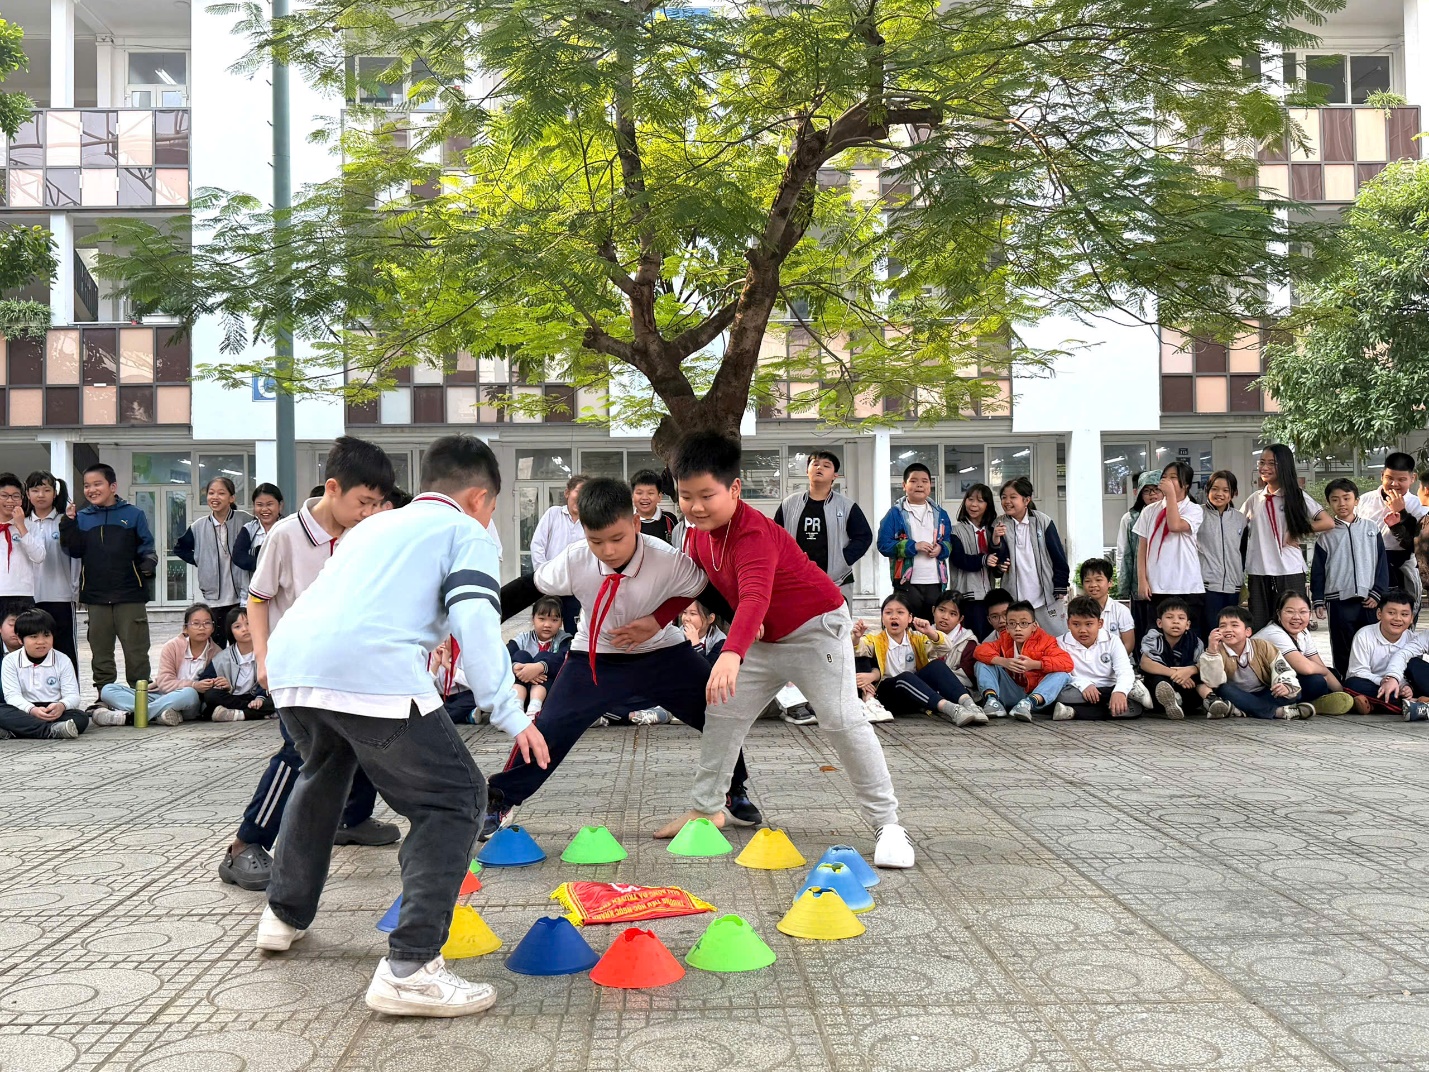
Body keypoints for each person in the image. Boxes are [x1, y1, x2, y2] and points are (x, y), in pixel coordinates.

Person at [256, 434, 550, 1019]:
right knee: (455, 797)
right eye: (493, 507)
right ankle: (410, 967)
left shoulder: (374, 526)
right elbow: (476, 616)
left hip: (293, 668)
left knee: (324, 772)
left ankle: (282, 914)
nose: (490, 519)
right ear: (479, 497)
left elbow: (368, 599)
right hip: (369, 674)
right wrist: (509, 710)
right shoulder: (467, 531)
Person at [650, 433, 914, 867]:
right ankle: (707, 808)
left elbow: (754, 597)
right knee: (723, 710)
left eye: (707, 496)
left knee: (842, 720)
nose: (696, 507)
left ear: (734, 489)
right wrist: (652, 620)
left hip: (816, 630)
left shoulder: (753, 533)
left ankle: (889, 824)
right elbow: (692, 584)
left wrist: (731, 653)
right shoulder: (696, 535)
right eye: (686, 496)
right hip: (763, 637)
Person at [485, 476, 761, 832]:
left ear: (634, 523)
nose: (609, 550)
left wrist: (747, 623)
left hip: (663, 654)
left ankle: (733, 789)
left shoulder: (666, 559)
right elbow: (525, 589)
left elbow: (708, 590)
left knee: (718, 714)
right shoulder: (574, 559)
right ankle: (501, 799)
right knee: (550, 728)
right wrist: (472, 625)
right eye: (596, 540)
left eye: (617, 538)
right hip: (593, 659)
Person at [217, 436, 397, 894]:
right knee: (301, 753)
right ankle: (245, 845)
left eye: (378, 504)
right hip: (296, 668)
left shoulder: (364, 533)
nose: (370, 512)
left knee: (359, 741)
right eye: (364, 502)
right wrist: (264, 658)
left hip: (348, 665)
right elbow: (257, 601)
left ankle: (352, 819)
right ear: (333, 488)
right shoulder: (286, 535)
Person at [59, 463, 157, 707]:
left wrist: (147, 565)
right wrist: (68, 524)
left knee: (136, 651)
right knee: (100, 653)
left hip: (130, 595)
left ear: (112, 486)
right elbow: (73, 550)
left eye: (97, 484)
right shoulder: (81, 518)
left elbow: (147, 547)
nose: (91, 490)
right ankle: (105, 698)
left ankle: (142, 696)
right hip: (96, 596)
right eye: (87, 486)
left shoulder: (133, 514)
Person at [852, 593, 980, 725]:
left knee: (937, 666)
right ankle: (952, 709)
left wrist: (930, 632)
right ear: (883, 618)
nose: (894, 616)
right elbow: (859, 648)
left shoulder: (917, 638)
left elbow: (945, 647)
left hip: (917, 693)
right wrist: (856, 637)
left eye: (900, 612)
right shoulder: (875, 639)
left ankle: (970, 705)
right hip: (889, 694)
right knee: (905, 677)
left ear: (910, 618)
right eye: (888, 612)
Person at [1242, 445, 1333, 630]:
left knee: (1292, 626)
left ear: (1283, 466)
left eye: (1271, 463)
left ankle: (1294, 659)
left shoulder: (1296, 496)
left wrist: (1297, 531)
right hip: (1259, 571)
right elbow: (1238, 526)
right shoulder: (1255, 499)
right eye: (1262, 463)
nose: (1264, 468)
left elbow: (1327, 522)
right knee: (1259, 626)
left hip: (1289, 570)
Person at [1311, 478, 1390, 678]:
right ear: (1329, 503)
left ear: (1357, 500)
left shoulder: (1371, 529)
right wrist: (1318, 599)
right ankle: (1345, 686)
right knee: (1342, 645)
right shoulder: (1326, 535)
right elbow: (1318, 570)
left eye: (1347, 498)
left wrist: (1378, 592)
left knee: (1371, 644)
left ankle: (1370, 683)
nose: (1342, 503)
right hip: (1338, 599)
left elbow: (1382, 564)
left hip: (1369, 599)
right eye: (1335, 499)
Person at [775, 451, 873, 606]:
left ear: (835, 475)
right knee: (798, 629)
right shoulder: (789, 504)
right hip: (795, 582)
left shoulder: (847, 506)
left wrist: (844, 559)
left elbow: (864, 536)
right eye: (815, 464)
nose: (819, 467)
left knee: (835, 628)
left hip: (837, 581)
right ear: (807, 470)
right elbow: (775, 536)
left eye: (826, 465)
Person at [93, 602, 212, 726]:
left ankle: (131, 717)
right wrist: (194, 684)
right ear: (185, 628)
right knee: (108, 690)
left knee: (189, 693)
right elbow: (165, 684)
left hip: (186, 704)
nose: (201, 628)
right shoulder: (172, 646)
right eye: (196, 623)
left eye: (207, 623)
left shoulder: (216, 653)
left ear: (213, 628)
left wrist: (198, 686)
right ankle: (159, 714)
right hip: (160, 696)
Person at [175, 477, 253, 646]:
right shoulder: (198, 526)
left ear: (231, 498)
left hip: (241, 595)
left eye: (221, 493)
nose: (214, 497)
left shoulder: (245, 521)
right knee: (216, 645)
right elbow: (180, 549)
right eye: (211, 493)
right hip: (213, 598)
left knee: (241, 643)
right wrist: (200, 561)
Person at [990, 477, 1070, 636]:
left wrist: (1060, 586)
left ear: (1026, 500)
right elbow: (998, 564)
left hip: (1045, 595)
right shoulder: (998, 524)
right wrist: (995, 541)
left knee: (1057, 639)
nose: (1007, 501)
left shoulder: (1043, 521)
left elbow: (1058, 556)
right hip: (1015, 597)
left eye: (1013, 497)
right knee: (1019, 641)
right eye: (1004, 497)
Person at [972, 599, 1075, 720]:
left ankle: (1027, 703)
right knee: (981, 664)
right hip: (1012, 692)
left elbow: (1067, 663)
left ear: (1034, 626)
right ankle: (992, 702)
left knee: (1063, 675)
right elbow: (979, 651)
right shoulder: (1005, 638)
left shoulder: (1046, 640)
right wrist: (1004, 662)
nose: (1018, 629)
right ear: (1007, 627)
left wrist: (1035, 664)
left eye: (1024, 623)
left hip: (1037, 696)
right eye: (1012, 623)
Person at [1199, 605, 1308, 719]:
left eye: (1234, 625)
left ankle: (1240, 711)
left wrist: (1285, 686)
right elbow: (1213, 682)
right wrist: (1212, 651)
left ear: (1248, 632)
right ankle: (1278, 712)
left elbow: (1281, 668)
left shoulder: (1262, 646)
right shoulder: (1216, 651)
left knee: (1294, 692)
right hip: (1236, 695)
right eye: (1222, 626)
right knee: (1224, 689)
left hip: (1263, 693)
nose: (1228, 629)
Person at [1253, 590, 1354, 714]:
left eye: (1303, 612)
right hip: (1265, 688)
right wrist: (1332, 681)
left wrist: (1344, 694)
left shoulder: (1303, 632)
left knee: (1333, 675)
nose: (1296, 617)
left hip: (1285, 680)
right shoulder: (1274, 633)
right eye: (1289, 611)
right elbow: (1306, 668)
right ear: (1279, 613)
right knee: (1317, 681)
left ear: (1310, 614)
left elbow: (1318, 665)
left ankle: (1319, 701)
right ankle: (1312, 704)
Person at [876, 462, 953, 620]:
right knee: (908, 628)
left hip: (936, 582)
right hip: (906, 584)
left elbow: (949, 543)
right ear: (904, 485)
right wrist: (913, 546)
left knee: (932, 629)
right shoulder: (895, 514)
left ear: (930, 486)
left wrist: (941, 549)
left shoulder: (941, 514)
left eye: (924, 481)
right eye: (913, 481)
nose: (919, 485)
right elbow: (883, 545)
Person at [1133, 461, 1206, 627]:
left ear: (1186, 485)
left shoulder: (1194, 509)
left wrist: (1171, 496)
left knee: (1187, 636)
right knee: (1156, 636)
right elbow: (1142, 547)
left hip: (1187, 585)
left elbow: (1175, 525)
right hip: (1157, 585)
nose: (1166, 481)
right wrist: (1142, 580)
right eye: (1164, 477)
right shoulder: (1149, 510)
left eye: (1174, 478)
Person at [22, 472, 81, 670]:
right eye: (35, 490)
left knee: (64, 649)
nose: (41, 495)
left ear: (55, 493)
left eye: (47, 490)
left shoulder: (66, 521)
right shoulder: (21, 523)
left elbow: (76, 557)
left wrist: (74, 591)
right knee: (33, 651)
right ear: (27, 493)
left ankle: (69, 697)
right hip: (30, 596)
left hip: (61, 596)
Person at [0, 607, 86, 739]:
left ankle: (15, 731)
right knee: (2, 711)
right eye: (33, 637)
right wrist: (32, 710)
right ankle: (51, 731)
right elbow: (12, 696)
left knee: (81, 717)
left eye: (46, 635)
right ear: (20, 639)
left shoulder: (63, 659)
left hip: (53, 710)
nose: (41, 642)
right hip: (24, 710)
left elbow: (73, 695)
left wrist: (62, 706)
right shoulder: (10, 661)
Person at [1055, 595, 1141, 719]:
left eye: (1089, 624)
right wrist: (1084, 684)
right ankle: (1112, 706)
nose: (1082, 630)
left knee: (1134, 708)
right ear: (1068, 623)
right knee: (1059, 695)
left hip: (1109, 687)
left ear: (1100, 623)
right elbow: (1062, 674)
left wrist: (1119, 691)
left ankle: (1072, 712)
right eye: (1076, 624)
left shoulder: (1113, 641)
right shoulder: (1060, 643)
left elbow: (1124, 670)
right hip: (1078, 690)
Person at [1342, 590, 1418, 715]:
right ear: (1379, 614)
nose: (1397, 618)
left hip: (1398, 688)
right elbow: (1357, 671)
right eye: (1391, 613)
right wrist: (1383, 681)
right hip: (1372, 684)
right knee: (1351, 685)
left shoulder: (1413, 640)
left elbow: (1412, 673)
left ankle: (1373, 705)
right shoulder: (1364, 635)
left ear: (1411, 619)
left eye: (1404, 614)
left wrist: (1407, 687)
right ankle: (1410, 706)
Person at [530, 473, 589, 633]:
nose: (580, 497)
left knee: (573, 629)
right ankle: (546, 656)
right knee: (547, 628)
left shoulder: (591, 521)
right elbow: (537, 545)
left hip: (576, 587)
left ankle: (569, 656)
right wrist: (542, 573)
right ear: (567, 493)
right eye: (578, 491)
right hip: (550, 585)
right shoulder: (553, 514)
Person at [197, 606, 274, 721]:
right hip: (233, 697)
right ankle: (255, 713)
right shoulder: (222, 658)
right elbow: (204, 681)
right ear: (230, 631)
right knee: (211, 696)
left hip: (259, 698)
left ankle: (238, 715)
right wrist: (223, 685)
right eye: (237, 626)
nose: (245, 629)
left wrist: (260, 697)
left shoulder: (267, 651)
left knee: (279, 698)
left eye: (249, 623)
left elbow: (273, 679)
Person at [1197, 470, 1247, 643]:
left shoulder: (1240, 519)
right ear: (1207, 490)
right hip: (1207, 586)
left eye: (1226, 490)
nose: (1220, 494)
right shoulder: (1197, 514)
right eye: (1215, 489)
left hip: (1233, 586)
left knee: (1231, 634)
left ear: (1233, 493)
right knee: (1210, 633)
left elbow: (1243, 550)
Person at [1114, 472, 1164, 642]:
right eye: (1147, 490)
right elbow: (1123, 553)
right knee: (1142, 624)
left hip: (1166, 583)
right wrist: (1124, 587)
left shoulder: (1173, 516)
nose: (1152, 495)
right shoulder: (1129, 518)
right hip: (1140, 584)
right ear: (1139, 494)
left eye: (1156, 489)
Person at [1138, 597, 1206, 719]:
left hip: (1186, 687)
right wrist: (1175, 673)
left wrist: (1189, 672)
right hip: (1160, 686)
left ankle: (1209, 700)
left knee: (1199, 677)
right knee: (1157, 677)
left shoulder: (1195, 641)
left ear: (1188, 624)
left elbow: (1203, 664)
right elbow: (1145, 663)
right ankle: (1170, 701)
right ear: (1159, 623)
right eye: (1169, 617)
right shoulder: (1154, 637)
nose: (1175, 622)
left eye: (1181, 618)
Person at [948, 483, 1000, 638]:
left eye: (980, 501)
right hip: (967, 596)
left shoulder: (992, 531)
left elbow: (997, 566)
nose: (974, 504)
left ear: (988, 505)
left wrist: (1000, 566)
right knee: (972, 638)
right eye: (970, 499)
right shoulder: (955, 531)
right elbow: (959, 559)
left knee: (989, 638)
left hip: (988, 596)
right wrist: (984, 559)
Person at [507, 596, 571, 716]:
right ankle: (516, 709)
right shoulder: (522, 639)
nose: (547, 625)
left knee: (544, 656)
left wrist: (539, 667)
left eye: (554, 620)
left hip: (548, 694)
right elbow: (503, 657)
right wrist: (515, 668)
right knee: (521, 655)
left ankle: (534, 709)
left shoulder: (565, 640)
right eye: (542, 619)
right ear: (533, 619)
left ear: (561, 622)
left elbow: (564, 659)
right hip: (521, 692)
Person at [0, 472, 45, 621]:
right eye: (4, 495)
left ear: (22, 499)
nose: (10, 500)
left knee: (20, 640)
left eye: (15, 496)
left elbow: (39, 557)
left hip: (22, 593)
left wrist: (20, 526)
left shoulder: (30, 526)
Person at [929, 590, 981, 707]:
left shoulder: (968, 641)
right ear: (933, 610)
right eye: (941, 610)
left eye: (953, 614)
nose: (945, 617)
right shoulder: (921, 635)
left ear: (960, 619)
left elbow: (967, 676)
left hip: (957, 689)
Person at [1078, 557, 1134, 655]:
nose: (1093, 585)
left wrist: (1116, 662)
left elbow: (1128, 644)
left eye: (1098, 580)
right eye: (1087, 581)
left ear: (1110, 582)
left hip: (1117, 664)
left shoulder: (1121, 610)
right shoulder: (1078, 610)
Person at [232, 483, 285, 574]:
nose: (264, 509)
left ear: (280, 505)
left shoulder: (288, 528)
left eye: (269, 504)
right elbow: (238, 556)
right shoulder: (248, 529)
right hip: (253, 585)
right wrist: (267, 565)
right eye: (259, 505)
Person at [631, 469, 679, 544]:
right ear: (632, 496)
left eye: (650, 493)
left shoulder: (669, 520)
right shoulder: (627, 520)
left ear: (659, 497)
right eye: (639, 493)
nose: (644, 497)